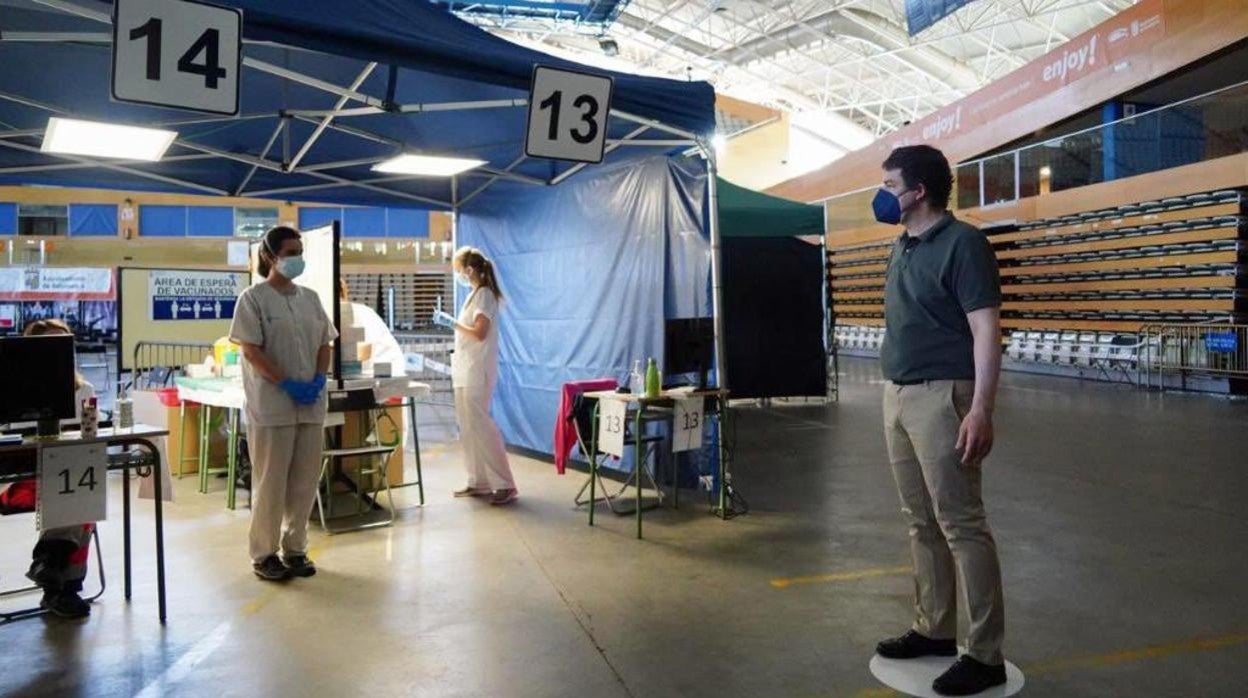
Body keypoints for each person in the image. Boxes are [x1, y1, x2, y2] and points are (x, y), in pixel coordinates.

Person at [871, 145, 1007, 696]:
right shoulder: (902, 245)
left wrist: (980, 408)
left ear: (918, 191)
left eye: (889, 184)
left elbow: (985, 330)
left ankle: (984, 653)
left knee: (960, 523)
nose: (882, 195)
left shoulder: (964, 245)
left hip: (942, 396)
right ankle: (934, 628)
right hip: (897, 395)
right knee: (918, 520)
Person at [229, 226, 337, 582]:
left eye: (300, 251)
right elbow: (250, 349)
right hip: (272, 405)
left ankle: (295, 548)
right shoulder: (253, 298)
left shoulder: (310, 298)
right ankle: (264, 553)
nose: (298, 258)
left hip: (310, 404)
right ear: (270, 256)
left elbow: (326, 342)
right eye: (291, 252)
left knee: (304, 481)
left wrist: (319, 379)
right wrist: (286, 382)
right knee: (271, 482)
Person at [0, 319, 97, 618]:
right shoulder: (12, 391)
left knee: (84, 488)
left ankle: (51, 570)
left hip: (66, 475)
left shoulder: (85, 391)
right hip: (22, 476)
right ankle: (61, 584)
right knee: (83, 494)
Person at [434, 247, 517, 506]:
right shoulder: (473, 295)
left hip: (477, 370)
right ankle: (478, 480)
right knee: (468, 427)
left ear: (469, 270)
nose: (458, 274)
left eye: (459, 269)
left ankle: (505, 483)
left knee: (481, 424)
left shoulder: (484, 295)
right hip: (465, 368)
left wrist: (452, 323)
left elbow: (480, 333)